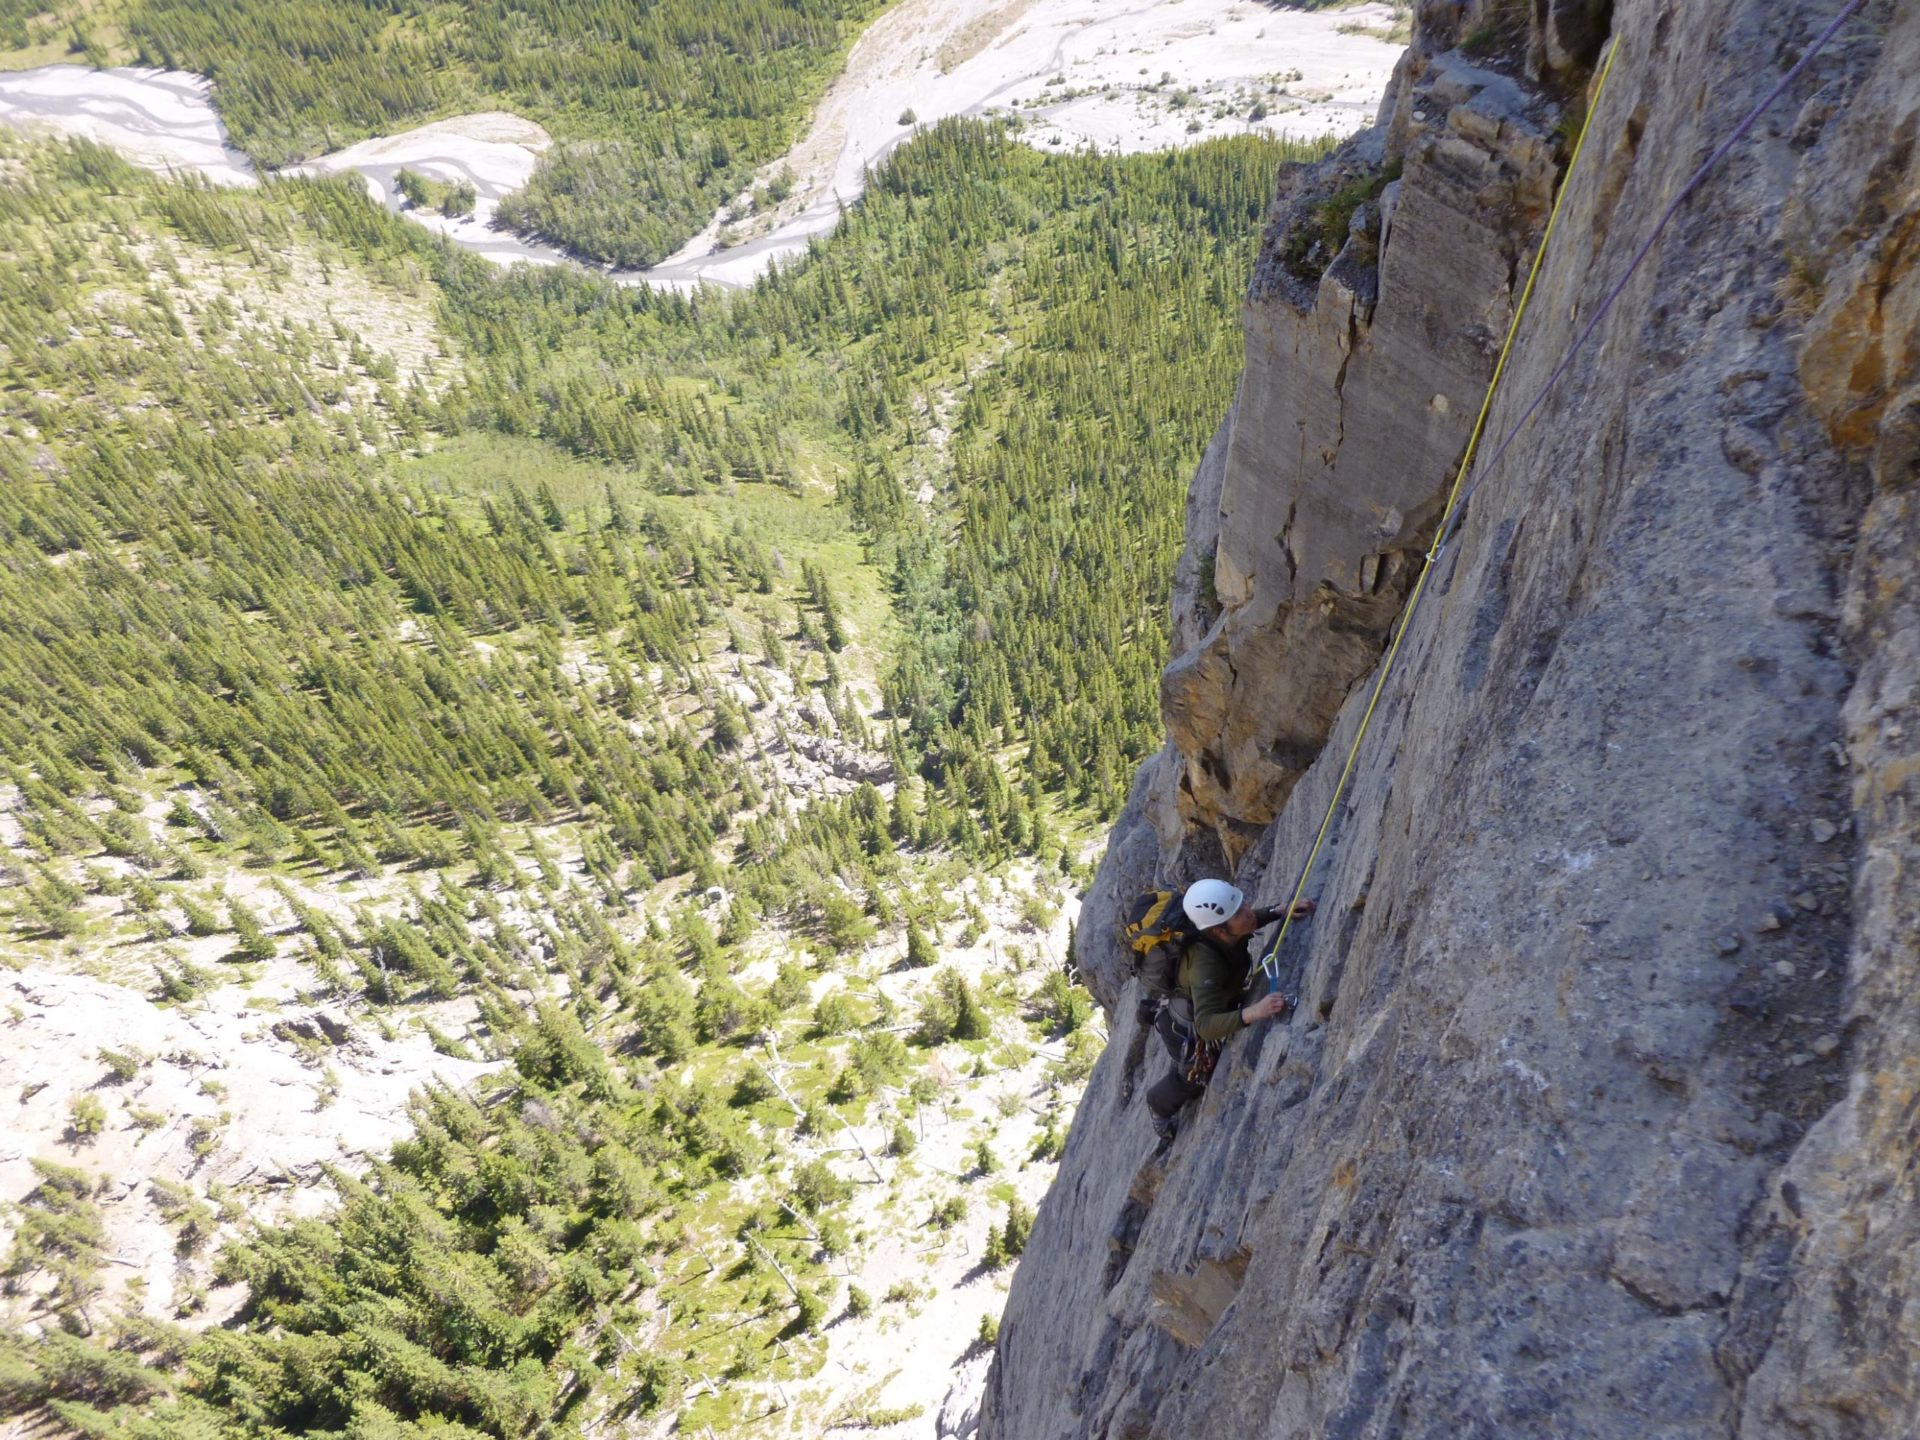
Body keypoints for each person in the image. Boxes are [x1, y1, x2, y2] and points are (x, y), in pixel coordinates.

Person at [1144, 879, 1312, 1146]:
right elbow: (1206, 1026)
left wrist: (1278, 911)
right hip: (1185, 1026)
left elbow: (1246, 921)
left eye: (1242, 904)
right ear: (1219, 930)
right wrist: (1255, 1011)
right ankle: (1158, 1106)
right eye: (1239, 911)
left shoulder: (1223, 928)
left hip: (1215, 1000)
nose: (1248, 910)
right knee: (1192, 1077)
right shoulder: (1205, 964)